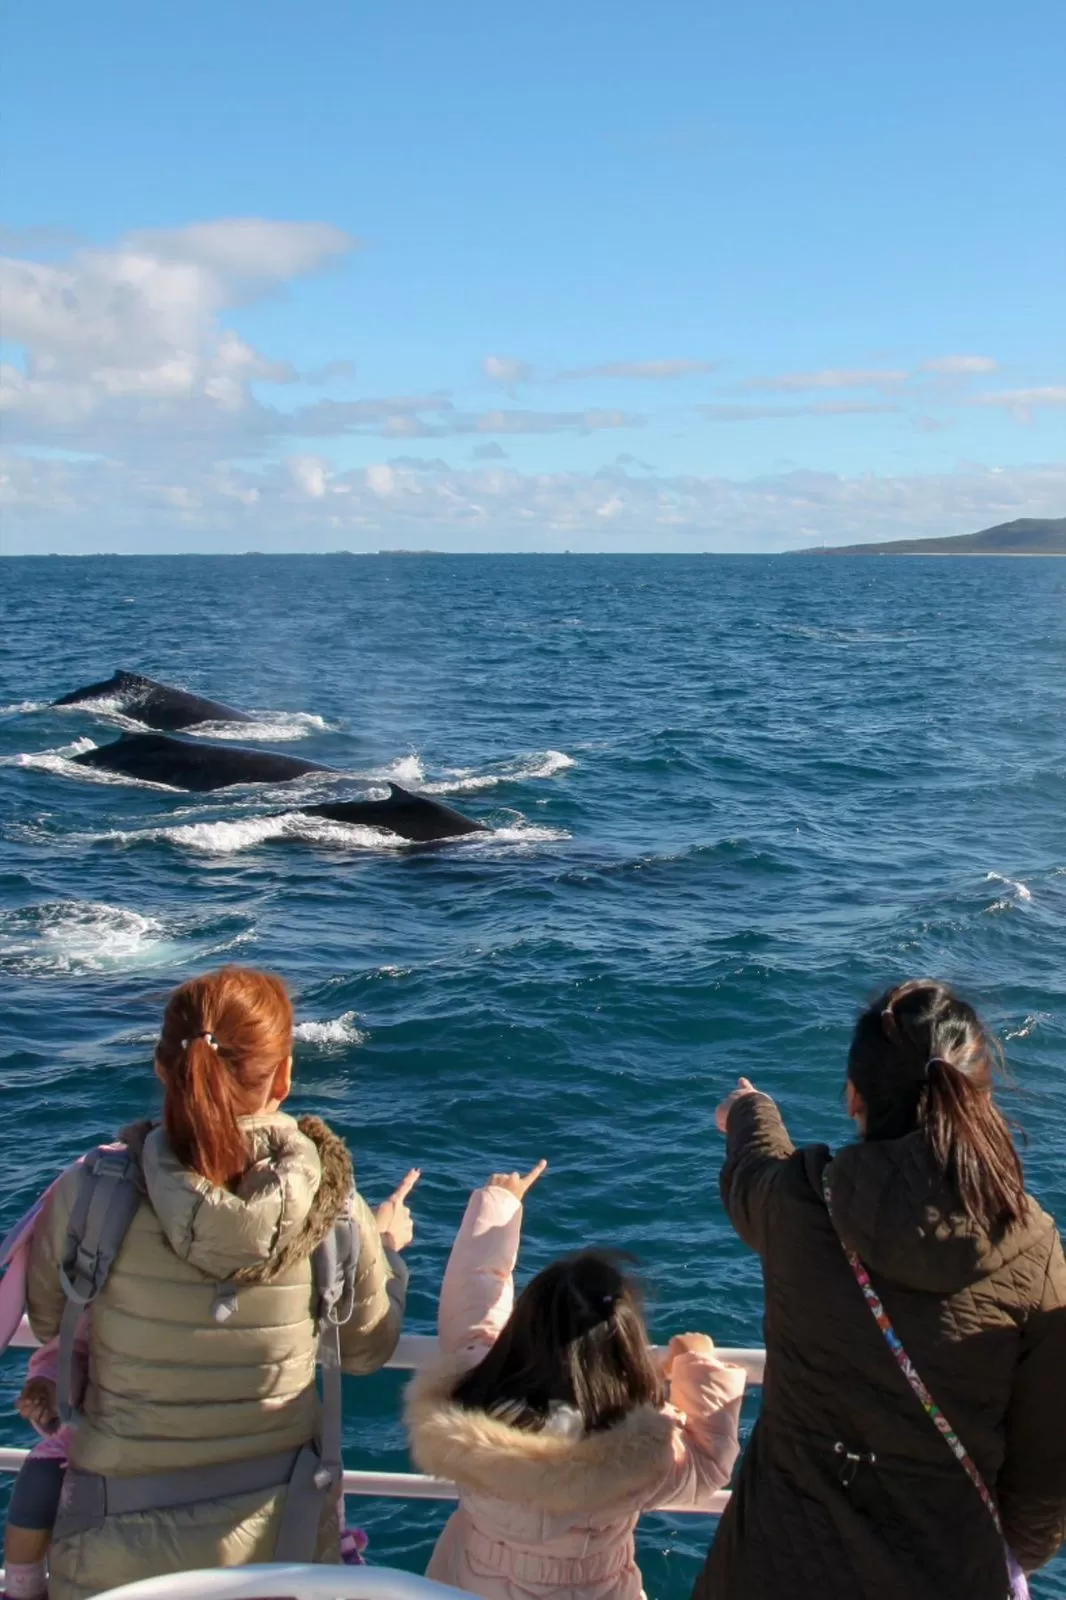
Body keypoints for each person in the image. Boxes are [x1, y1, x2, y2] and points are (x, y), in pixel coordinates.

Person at [19, 965, 418, 1600]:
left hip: (110, 1547)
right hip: (278, 1547)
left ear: (161, 1067)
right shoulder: (335, 1207)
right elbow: (367, 1348)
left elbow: (51, 1322)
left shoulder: (92, 1190)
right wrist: (389, 1249)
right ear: (284, 1076)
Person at [694, 979, 1066, 1600]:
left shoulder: (800, 1207)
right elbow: (1044, 1480)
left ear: (853, 1098)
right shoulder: (1036, 1251)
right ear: (979, 1099)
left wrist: (749, 1110)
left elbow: (753, 1174)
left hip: (771, 1567)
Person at [406, 1160, 746, 1600]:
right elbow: (709, 1463)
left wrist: (500, 1203)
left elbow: (474, 1307)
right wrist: (697, 1364)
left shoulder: (467, 1413)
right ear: (625, 1350)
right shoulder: (639, 1456)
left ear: (520, 1332)